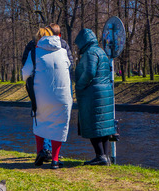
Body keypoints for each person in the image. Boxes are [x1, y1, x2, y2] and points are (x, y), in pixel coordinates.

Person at [32, 27, 73, 169]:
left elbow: (26, 73)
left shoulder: (35, 51)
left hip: (42, 95)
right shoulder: (63, 51)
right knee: (59, 125)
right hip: (63, 96)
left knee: (40, 122)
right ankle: (55, 160)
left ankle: (39, 153)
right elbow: (70, 66)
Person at [74, 28, 115, 166]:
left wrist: (79, 85)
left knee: (93, 124)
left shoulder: (90, 52)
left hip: (93, 94)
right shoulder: (101, 51)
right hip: (105, 92)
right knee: (104, 126)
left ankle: (100, 156)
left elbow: (90, 72)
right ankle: (105, 157)